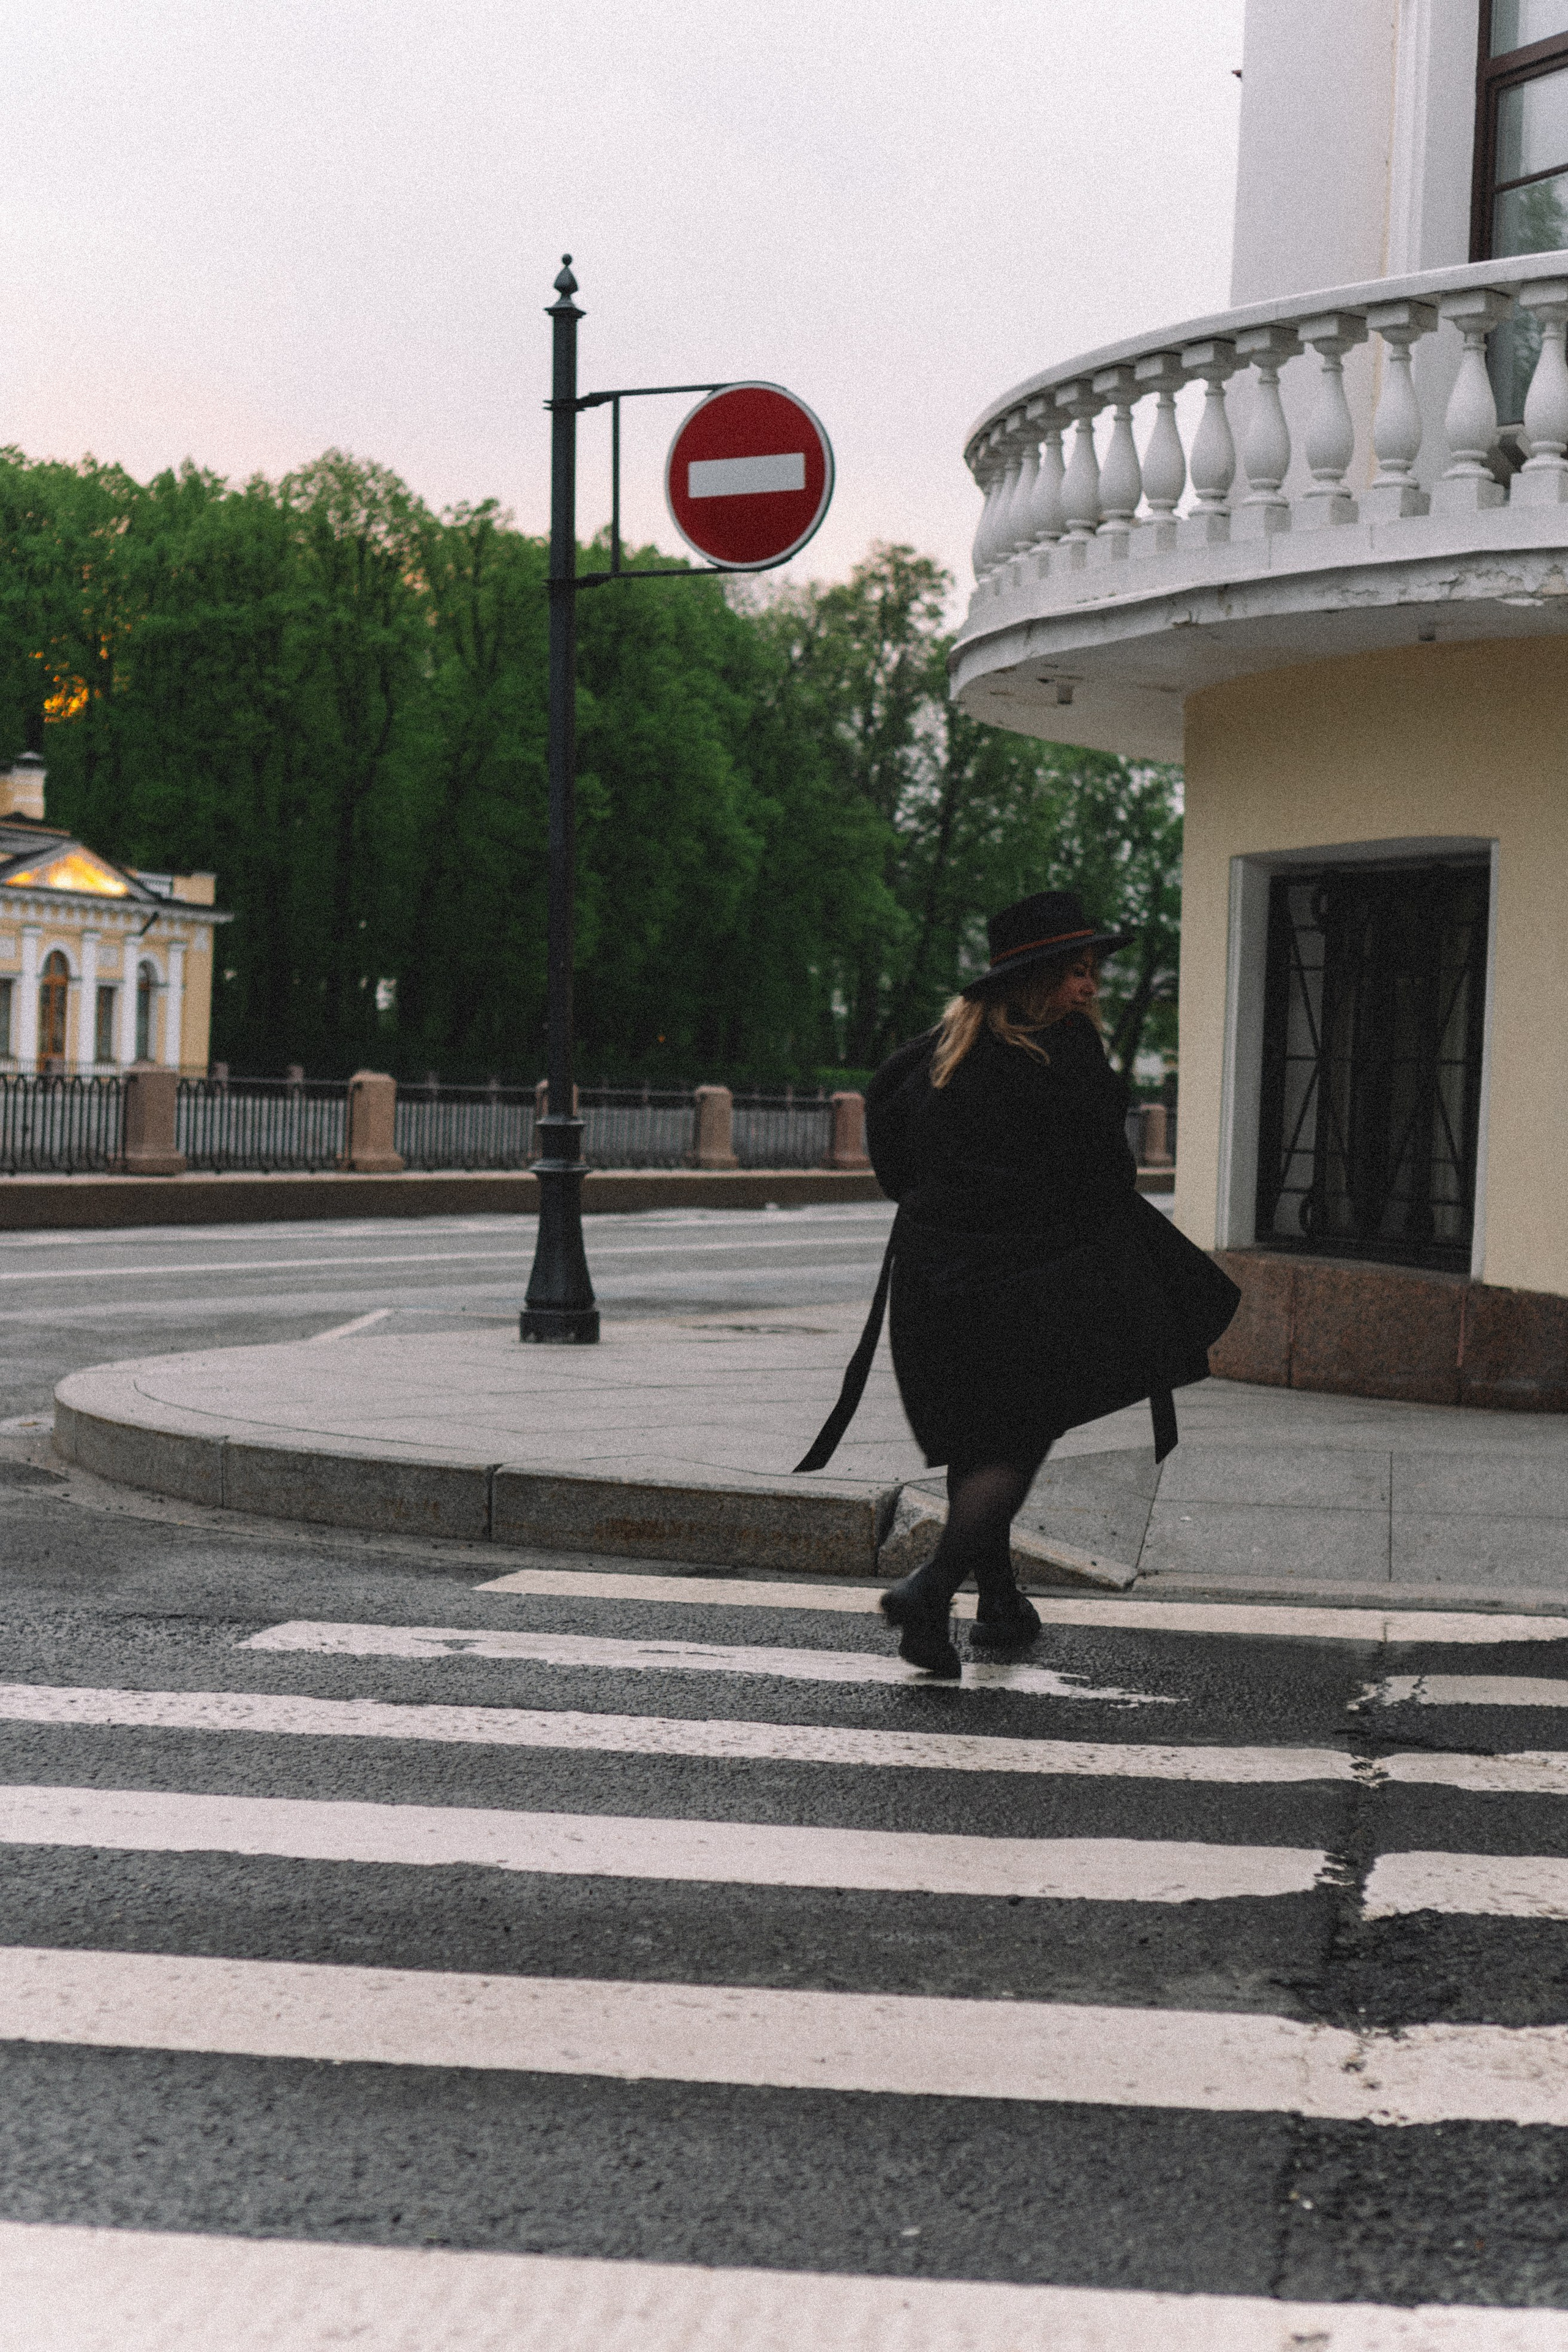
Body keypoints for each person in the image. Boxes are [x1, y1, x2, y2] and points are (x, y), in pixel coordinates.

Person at [796, 888, 1240, 1679]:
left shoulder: (927, 1056)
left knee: (981, 1435)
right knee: (1017, 1437)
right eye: (1076, 972)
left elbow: (894, 1166)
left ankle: (996, 1605)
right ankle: (932, 1587)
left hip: (934, 1278)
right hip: (1030, 1277)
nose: (1090, 988)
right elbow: (1108, 1173)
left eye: (1091, 971)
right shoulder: (1062, 1056)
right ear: (1037, 980)